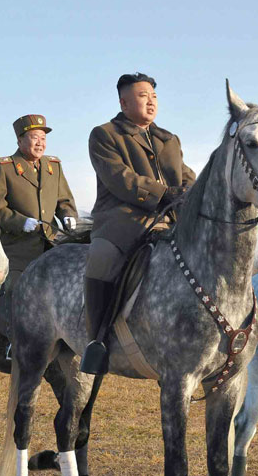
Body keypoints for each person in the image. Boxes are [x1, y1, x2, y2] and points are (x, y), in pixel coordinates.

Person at [80, 73, 196, 375]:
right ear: (124, 102)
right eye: (143, 95)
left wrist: (191, 192)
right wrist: (165, 193)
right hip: (122, 219)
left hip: (170, 219)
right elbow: (120, 179)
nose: (151, 101)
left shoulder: (169, 139)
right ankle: (97, 341)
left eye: (154, 96)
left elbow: (186, 175)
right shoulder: (104, 134)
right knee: (102, 260)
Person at [0, 114, 77, 352]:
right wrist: (20, 222)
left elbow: (64, 199)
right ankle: (13, 340)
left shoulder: (53, 166)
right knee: (16, 288)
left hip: (51, 243)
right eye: (34, 137)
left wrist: (69, 214)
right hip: (17, 247)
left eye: (43, 137)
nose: (40, 142)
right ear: (19, 141)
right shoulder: (4, 168)